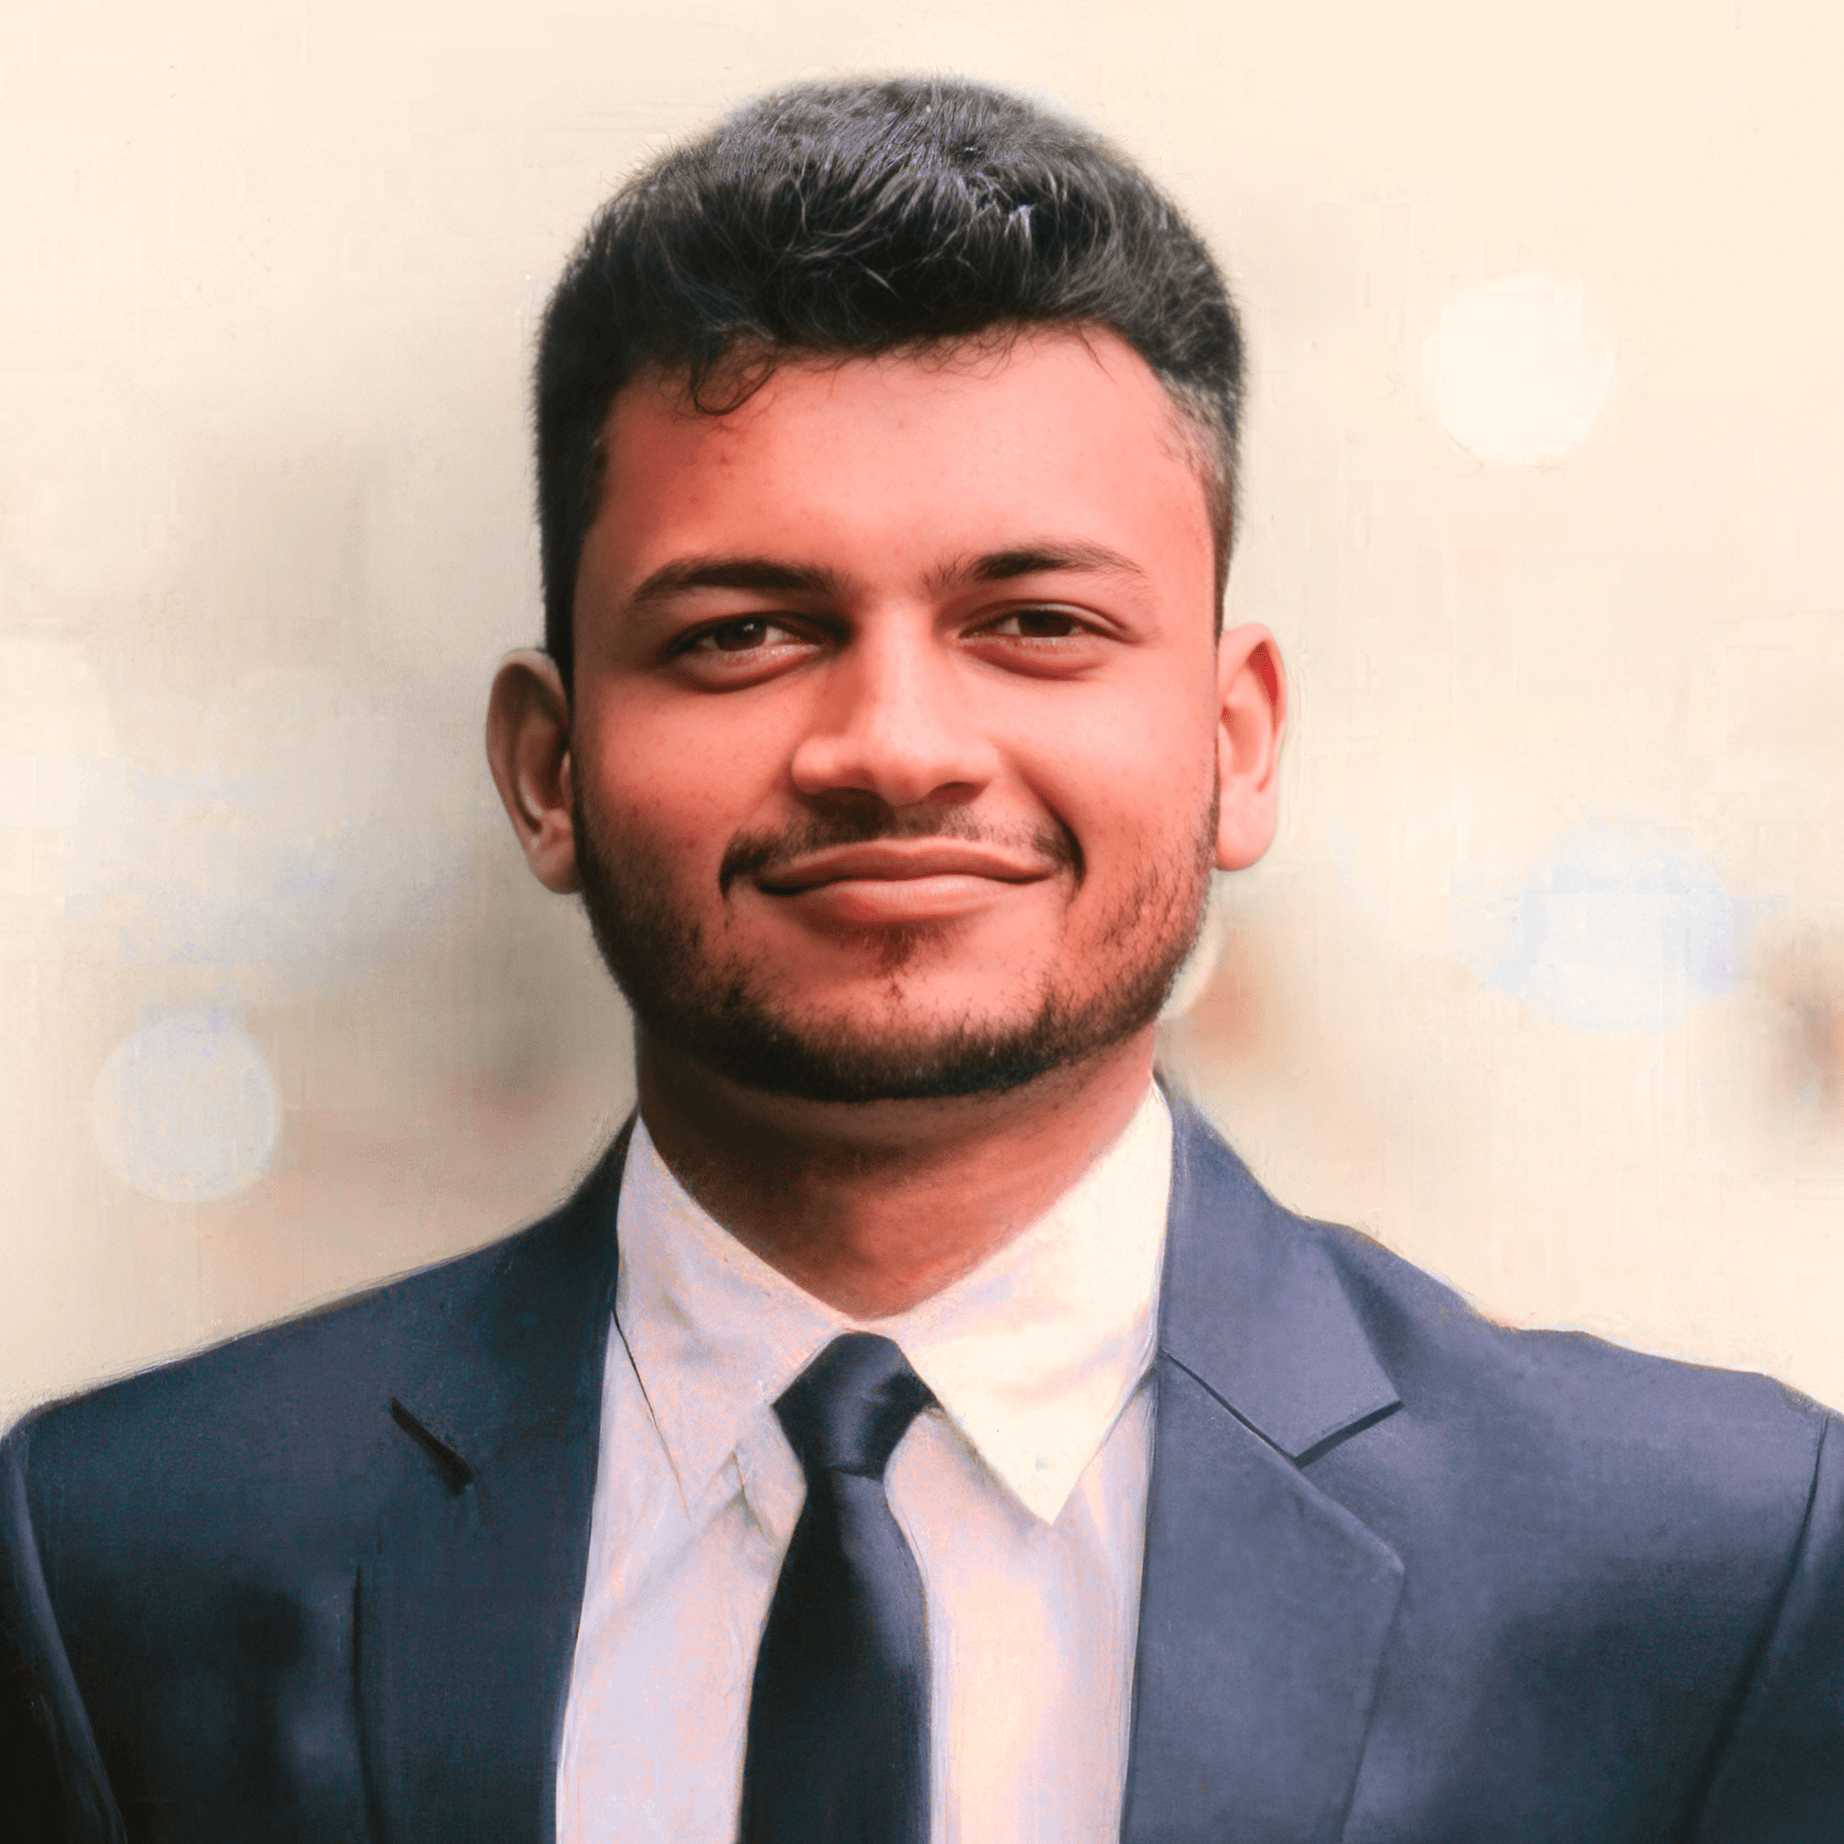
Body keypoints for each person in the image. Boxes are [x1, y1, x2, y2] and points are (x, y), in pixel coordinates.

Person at [3, 74, 1840, 1844]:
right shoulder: (114, 1561)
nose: (893, 740)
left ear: (1240, 742)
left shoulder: (1714, 1574)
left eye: (1035, 622)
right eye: (743, 633)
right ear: (547, 768)